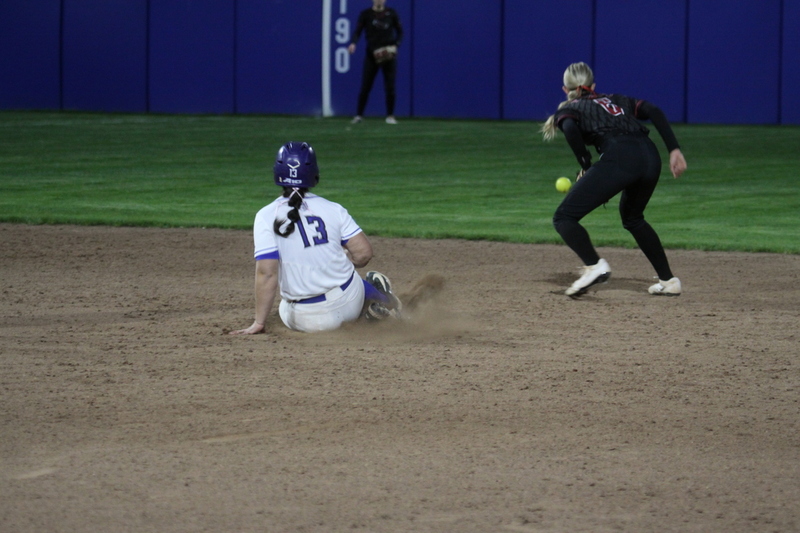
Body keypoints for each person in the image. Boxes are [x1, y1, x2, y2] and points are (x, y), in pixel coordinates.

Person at [541, 62, 688, 298]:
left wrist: (585, 165)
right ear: (593, 85)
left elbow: (569, 127)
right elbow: (654, 111)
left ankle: (594, 265)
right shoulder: (616, 99)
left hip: (621, 156)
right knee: (633, 218)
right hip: (650, 157)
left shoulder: (571, 107)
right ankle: (669, 281)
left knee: (564, 217)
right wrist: (674, 149)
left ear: (564, 89)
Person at [230, 142, 402, 335]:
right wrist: (342, 258)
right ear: (314, 174)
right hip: (348, 304)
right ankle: (380, 300)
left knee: (283, 306)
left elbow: (267, 274)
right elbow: (364, 254)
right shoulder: (333, 209)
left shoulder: (265, 215)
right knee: (346, 269)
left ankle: (366, 317)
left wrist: (259, 322)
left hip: (301, 320)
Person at [348, 0, 403, 125]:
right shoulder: (366, 14)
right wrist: (353, 43)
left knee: (390, 87)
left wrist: (395, 45)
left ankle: (390, 116)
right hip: (372, 54)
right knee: (365, 86)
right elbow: (357, 31)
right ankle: (359, 115)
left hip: (388, 55)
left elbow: (400, 32)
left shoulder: (391, 13)